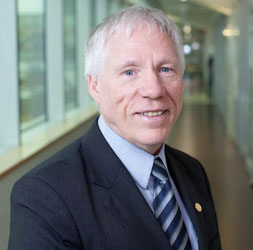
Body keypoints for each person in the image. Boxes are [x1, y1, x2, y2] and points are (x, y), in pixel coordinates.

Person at [8, 6, 221, 250]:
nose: (154, 90)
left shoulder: (192, 171)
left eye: (165, 69)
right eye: (129, 72)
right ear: (95, 86)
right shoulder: (44, 195)